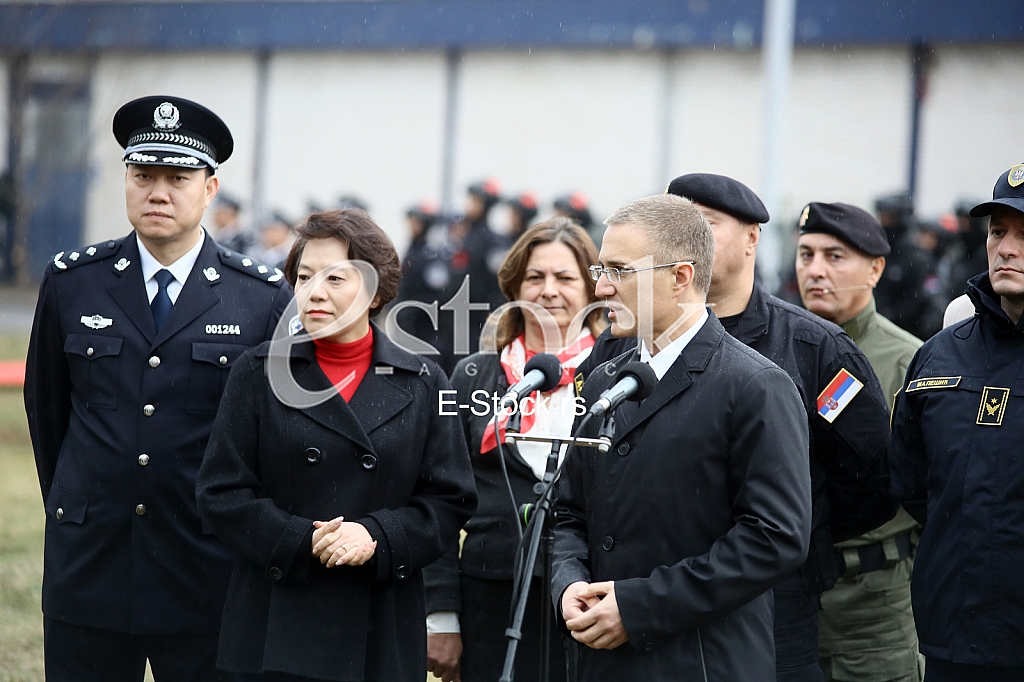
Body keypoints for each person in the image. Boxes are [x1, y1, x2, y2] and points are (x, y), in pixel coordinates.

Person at [578, 174, 898, 682]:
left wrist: (801, 539)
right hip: (630, 602)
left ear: (752, 239)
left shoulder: (810, 347)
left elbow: (872, 481)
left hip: (770, 597)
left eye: (704, 224)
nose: (690, 233)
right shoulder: (617, 350)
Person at [23, 95, 291, 682]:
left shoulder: (261, 296)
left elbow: (273, 434)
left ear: (211, 188)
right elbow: (47, 413)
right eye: (143, 175)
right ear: (126, 180)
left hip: (206, 561)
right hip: (92, 557)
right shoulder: (74, 282)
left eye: (178, 177)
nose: (158, 193)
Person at [195, 208, 477, 681]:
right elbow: (220, 494)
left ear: (377, 291)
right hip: (275, 620)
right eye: (303, 277)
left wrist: (376, 535)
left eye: (335, 278)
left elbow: (451, 502)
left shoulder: (426, 380)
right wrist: (301, 540)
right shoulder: (257, 372)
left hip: (378, 623)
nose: (315, 292)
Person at [552, 193, 812, 680]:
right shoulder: (605, 379)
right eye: (600, 270)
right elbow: (569, 511)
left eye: (620, 271)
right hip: (602, 661)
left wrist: (638, 606)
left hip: (701, 661)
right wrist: (568, 585)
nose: (602, 288)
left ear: (680, 276)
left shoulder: (755, 385)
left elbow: (774, 537)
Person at [423, 218, 606, 682]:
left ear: (590, 289)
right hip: (488, 597)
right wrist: (442, 616)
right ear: (514, 287)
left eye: (565, 278)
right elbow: (438, 498)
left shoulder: (620, 378)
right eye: (535, 277)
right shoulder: (471, 377)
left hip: (590, 599)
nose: (549, 291)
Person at [890, 163, 1024, 682]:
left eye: (1023, 235)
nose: (1006, 249)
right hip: (954, 637)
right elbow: (912, 479)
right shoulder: (941, 353)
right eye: (998, 232)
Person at [795, 202, 924, 682]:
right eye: (806, 255)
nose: (815, 270)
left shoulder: (910, 362)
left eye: (835, 257)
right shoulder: (780, 348)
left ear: (875, 269)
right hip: (789, 596)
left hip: (874, 606)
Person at [873, 193, 940, 339]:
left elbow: (922, 300)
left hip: (908, 335)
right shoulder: (879, 254)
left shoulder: (919, 259)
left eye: (889, 218)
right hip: (877, 332)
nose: (884, 223)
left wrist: (890, 316)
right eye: (882, 218)